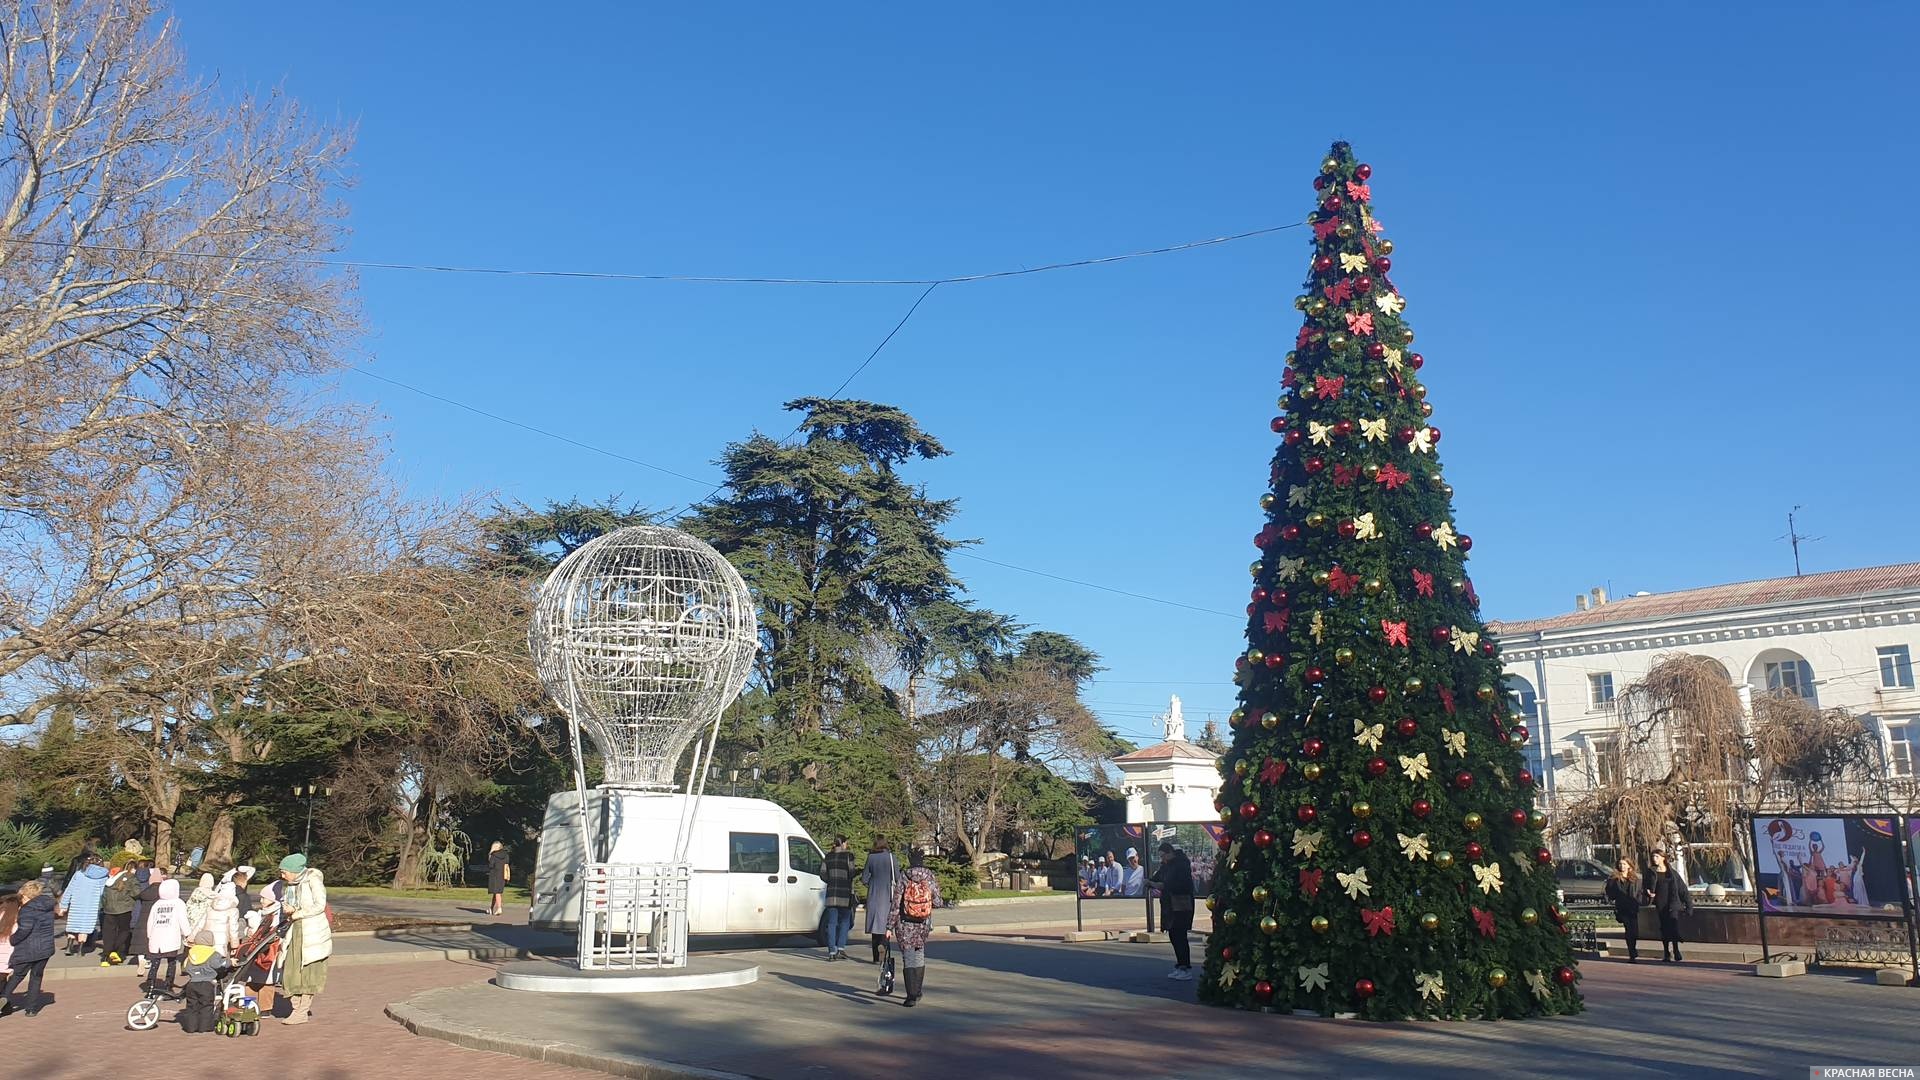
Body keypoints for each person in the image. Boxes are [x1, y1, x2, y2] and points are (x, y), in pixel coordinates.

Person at [277, 853, 331, 1025]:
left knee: (308, 973)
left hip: (311, 931)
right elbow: (292, 904)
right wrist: (289, 909)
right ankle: (296, 1008)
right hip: (295, 930)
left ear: (294, 871)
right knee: (290, 971)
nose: (282, 876)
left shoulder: (312, 880)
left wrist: (299, 912)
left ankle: (301, 1011)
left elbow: (319, 905)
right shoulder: (291, 886)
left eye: (284, 872)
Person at [886, 850, 942, 1007]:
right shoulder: (929, 876)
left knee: (908, 957)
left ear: (910, 860)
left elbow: (896, 903)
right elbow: (938, 902)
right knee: (919, 954)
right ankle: (917, 991)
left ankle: (911, 995)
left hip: (905, 924)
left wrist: (889, 926)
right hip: (923, 923)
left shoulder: (904, 876)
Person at [2, 880, 56, 1017]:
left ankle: (4, 996)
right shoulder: (48, 906)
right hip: (45, 947)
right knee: (36, 977)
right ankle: (31, 1009)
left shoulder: (27, 910)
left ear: (26, 895)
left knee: (18, 975)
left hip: (28, 948)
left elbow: (24, 930)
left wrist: (13, 939)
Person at [1149, 842, 1195, 980]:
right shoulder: (1167, 866)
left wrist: (1162, 885)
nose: (1162, 859)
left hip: (1181, 904)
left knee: (1180, 935)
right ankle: (1180, 965)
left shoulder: (1181, 864)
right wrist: (1150, 882)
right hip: (1170, 905)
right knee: (1174, 935)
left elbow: (1179, 884)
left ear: (1170, 853)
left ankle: (1185, 968)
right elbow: (1158, 877)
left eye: (1163, 856)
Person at [1647, 850, 1693, 962]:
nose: (1654, 859)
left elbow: (1683, 889)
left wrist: (1689, 905)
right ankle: (1666, 952)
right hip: (1660, 903)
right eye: (1653, 857)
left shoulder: (1672, 873)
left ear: (1663, 858)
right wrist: (1649, 893)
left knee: (1673, 924)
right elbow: (1646, 886)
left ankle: (1676, 949)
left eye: (1657, 856)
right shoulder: (1651, 872)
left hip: (1673, 903)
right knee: (1664, 928)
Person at [57, 856, 109, 956]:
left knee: (73, 925)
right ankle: (80, 950)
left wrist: (63, 904)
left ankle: (69, 946)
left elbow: (69, 889)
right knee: (85, 928)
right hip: (91, 904)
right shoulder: (103, 876)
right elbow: (103, 892)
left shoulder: (79, 874)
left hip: (77, 902)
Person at [143, 878, 188, 992]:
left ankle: (151, 986)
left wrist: (149, 935)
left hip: (156, 937)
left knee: (155, 962)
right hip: (171, 938)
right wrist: (187, 933)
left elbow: (150, 921)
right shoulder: (178, 903)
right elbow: (183, 920)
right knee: (171, 962)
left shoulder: (157, 904)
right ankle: (168, 986)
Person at [861, 838, 900, 965]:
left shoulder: (871, 858)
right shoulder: (891, 857)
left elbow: (864, 878)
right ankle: (884, 947)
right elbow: (898, 877)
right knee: (886, 925)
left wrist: (870, 883)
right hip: (888, 894)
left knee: (874, 926)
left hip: (873, 894)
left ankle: (876, 957)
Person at [98, 858, 140, 965]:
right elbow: (136, 892)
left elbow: (104, 895)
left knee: (108, 933)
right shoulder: (131, 878)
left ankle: (106, 957)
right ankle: (114, 949)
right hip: (124, 908)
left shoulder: (112, 878)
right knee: (124, 930)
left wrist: (105, 906)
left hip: (109, 909)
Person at [821, 836, 856, 961]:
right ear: (844, 844)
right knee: (845, 921)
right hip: (844, 894)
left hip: (831, 894)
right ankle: (841, 948)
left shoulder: (827, 857)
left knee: (831, 923)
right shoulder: (848, 856)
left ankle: (832, 951)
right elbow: (852, 872)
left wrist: (831, 881)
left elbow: (822, 874)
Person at [1604, 858, 1644, 962]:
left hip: (1633, 907)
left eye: (1624, 864)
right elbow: (1609, 892)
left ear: (1629, 866)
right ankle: (1631, 953)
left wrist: (1639, 900)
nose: (1622, 866)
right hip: (1622, 907)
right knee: (1628, 929)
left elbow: (1640, 891)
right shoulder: (1614, 879)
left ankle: (1633, 948)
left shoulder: (1635, 878)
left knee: (1635, 931)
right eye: (1620, 864)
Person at [184, 872, 215, 936]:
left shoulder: (195, 894)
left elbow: (187, 908)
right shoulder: (214, 896)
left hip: (192, 925)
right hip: (207, 927)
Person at [486, 842, 510, 917]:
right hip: (502, 875)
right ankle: (491, 908)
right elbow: (507, 863)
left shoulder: (493, 855)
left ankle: (499, 908)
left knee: (497, 892)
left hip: (495, 875)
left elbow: (491, 865)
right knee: (497, 892)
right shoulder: (506, 855)